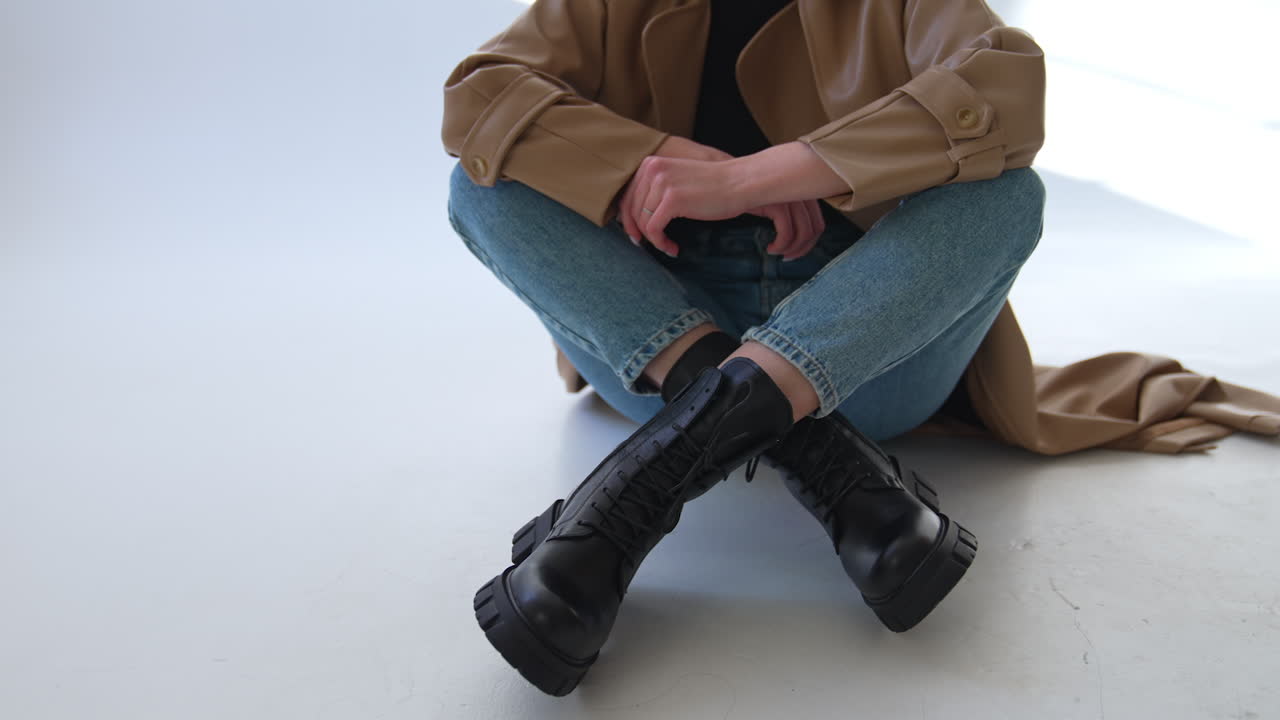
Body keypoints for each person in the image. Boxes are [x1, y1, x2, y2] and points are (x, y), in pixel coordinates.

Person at [445, 0, 1045, 697]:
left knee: (1006, 194)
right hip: (656, 342)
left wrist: (754, 178)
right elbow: (478, 96)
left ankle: (613, 513)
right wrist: (654, 156)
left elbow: (1008, 88)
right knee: (482, 187)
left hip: (867, 344)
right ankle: (845, 478)